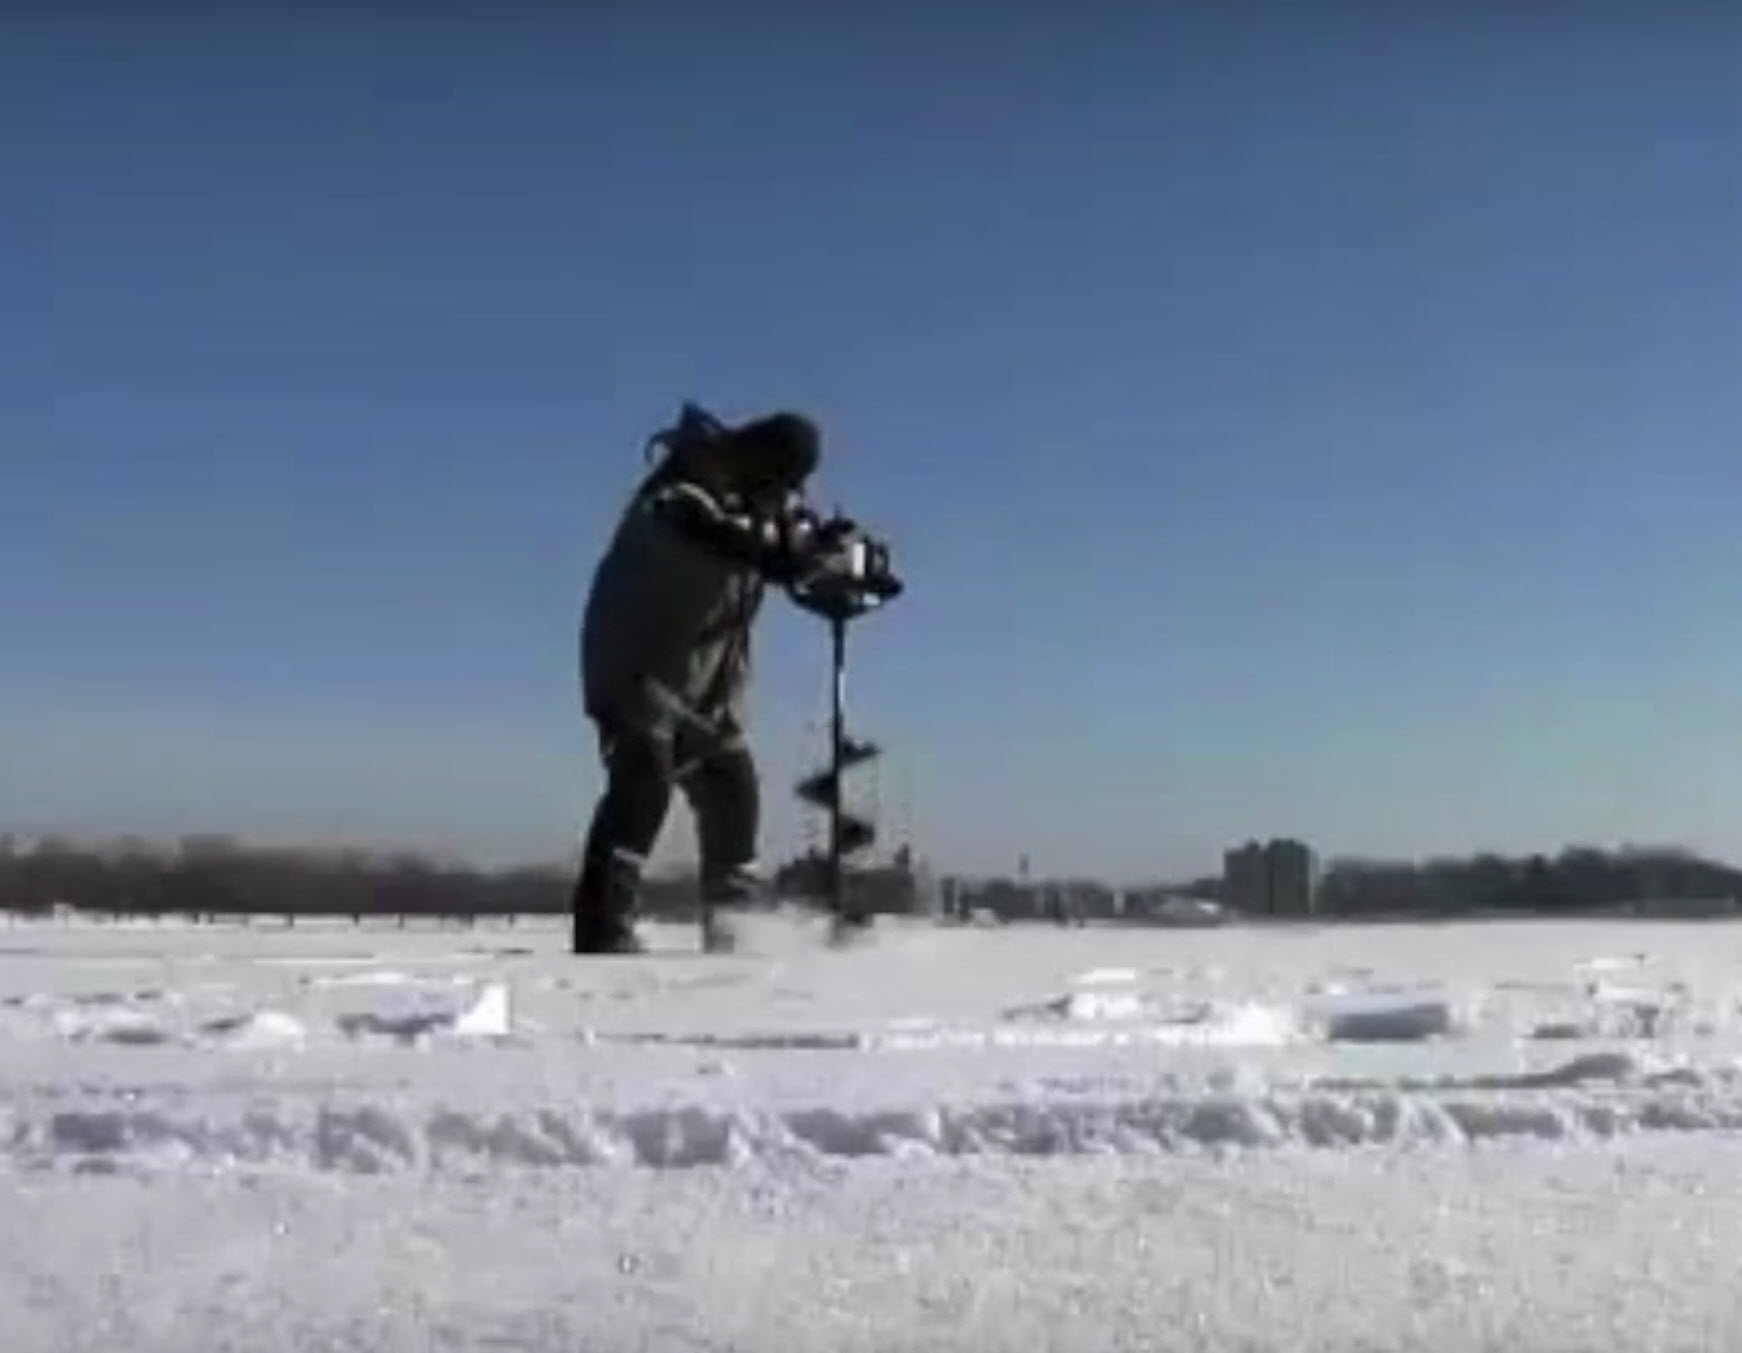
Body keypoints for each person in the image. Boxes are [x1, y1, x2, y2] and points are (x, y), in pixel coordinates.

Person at [571, 405, 841, 954]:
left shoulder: (760, 507)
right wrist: (776, 555)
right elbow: (714, 535)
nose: (787, 490)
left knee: (733, 790)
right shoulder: (682, 490)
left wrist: (825, 552)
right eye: (782, 476)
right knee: (643, 781)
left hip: (708, 685)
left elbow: (781, 546)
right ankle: (602, 933)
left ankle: (734, 930)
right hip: (635, 666)